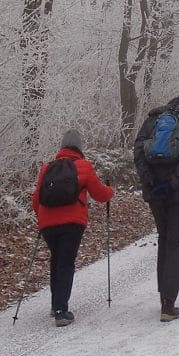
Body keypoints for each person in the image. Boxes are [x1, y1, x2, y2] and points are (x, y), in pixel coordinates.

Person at [32, 129, 114, 327]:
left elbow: (36, 200)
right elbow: (99, 194)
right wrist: (111, 191)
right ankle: (61, 310)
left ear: (62, 147)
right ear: (79, 147)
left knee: (56, 260)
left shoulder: (47, 167)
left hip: (47, 223)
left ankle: (55, 304)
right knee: (66, 262)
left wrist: (43, 218)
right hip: (72, 223)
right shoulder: (84, 166)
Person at [133, 96, 179, 322]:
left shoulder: (151, 120)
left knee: (163, 238)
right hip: (178, 193)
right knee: (175, 243)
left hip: (155, 193)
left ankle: (163, 295)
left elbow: (138, 153)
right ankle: (168, 304)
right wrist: (174, 183)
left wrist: (150, 181)